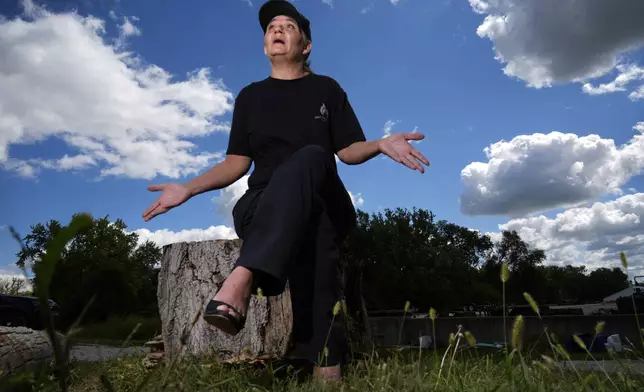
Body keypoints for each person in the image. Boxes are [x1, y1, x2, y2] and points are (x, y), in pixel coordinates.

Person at [142, 0, 429, 381]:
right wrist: (189, 189)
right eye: (271, 26)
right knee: (315, 233)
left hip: (325, 198)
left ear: (305, 45)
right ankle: (328, 368)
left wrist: (378, 144)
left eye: (288, 26)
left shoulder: (327, 89)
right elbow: (236, 163)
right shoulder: (250, 96)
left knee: (313, 162)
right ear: (265, 45)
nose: (277, 29)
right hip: (262, 206)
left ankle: (241, 279)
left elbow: (346, 151)